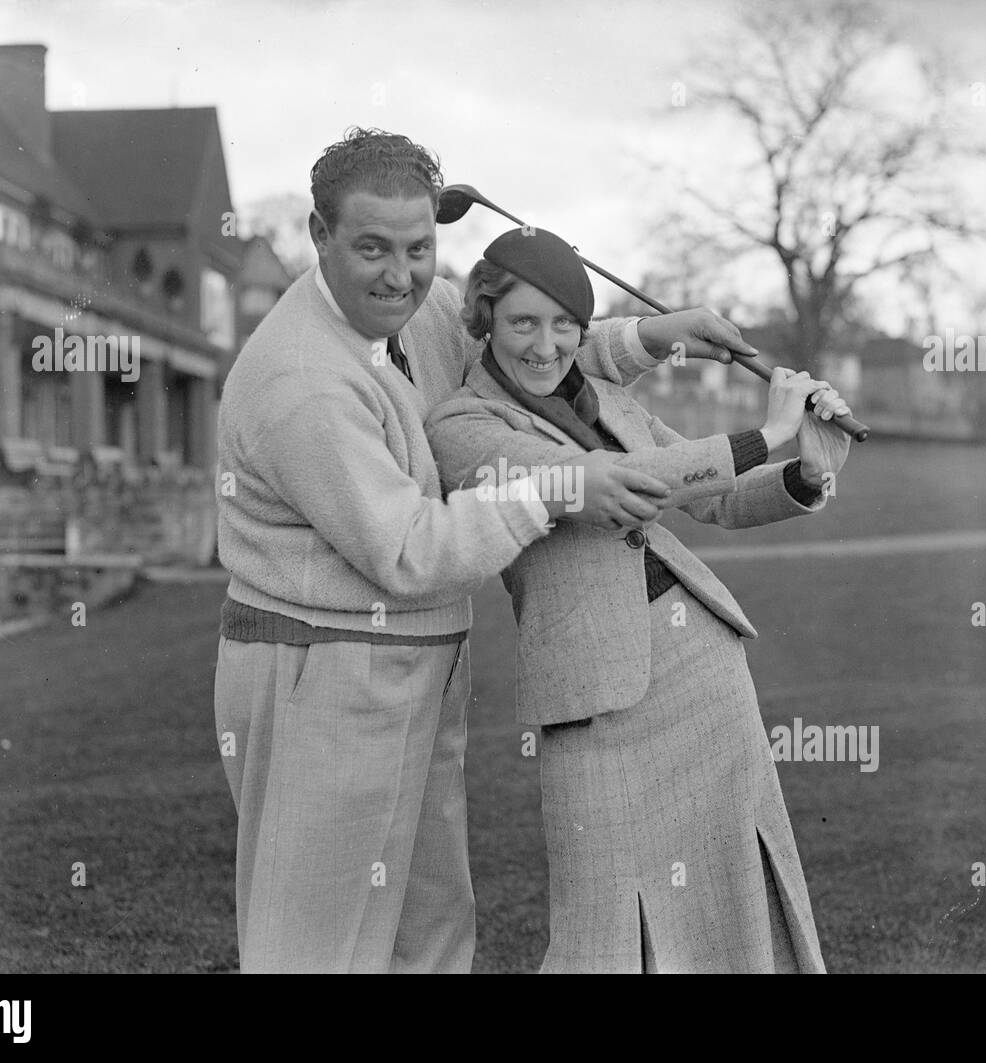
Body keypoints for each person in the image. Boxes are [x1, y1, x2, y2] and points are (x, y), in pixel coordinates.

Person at [212, 127, 758, 973]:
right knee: (316, 945)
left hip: (419, 661)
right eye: (370, 248)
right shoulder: (301, 382)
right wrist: (557, 487)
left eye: (419, 247)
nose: (400, 273)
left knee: (431, 931)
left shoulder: (417, 312)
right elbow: (410, 549)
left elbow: (517, 353)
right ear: (319, 238)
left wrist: (657, 335)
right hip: (317, 673)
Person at [424, 226, 853, 973]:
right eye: (523, 322)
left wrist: (803, 473)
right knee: (599, 925)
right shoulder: (462, 427)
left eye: (565, 326)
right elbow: (617, 489)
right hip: (592, 693)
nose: (544, 345)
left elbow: (712, 500)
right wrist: (769, 429)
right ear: (484, 316)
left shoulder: (606, 396)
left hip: (702, 665)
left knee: (733, 889)